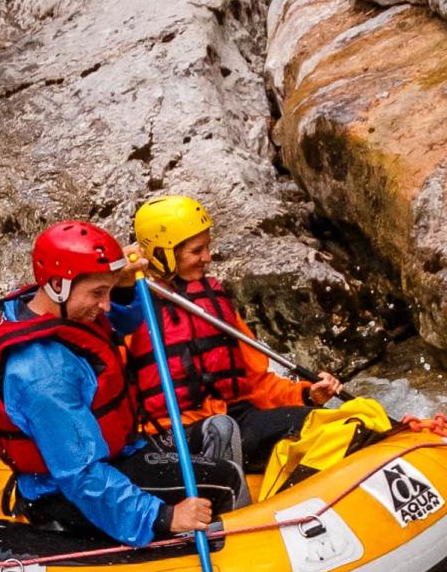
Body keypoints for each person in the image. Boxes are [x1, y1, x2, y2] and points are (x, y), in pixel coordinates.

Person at [0, 221, 243, 547]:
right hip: (64, 492)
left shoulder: (47, 304)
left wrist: (120, 284)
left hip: (111, 454)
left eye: (108, 292)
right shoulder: (44, 376)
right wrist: (162, 516)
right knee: (227, 480)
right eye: (98, 293)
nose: (106, 305)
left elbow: (122, 320)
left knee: (216, 441)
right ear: (57, 286)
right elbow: (81, 475)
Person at [125, 196, 341, 479]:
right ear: (163, 254)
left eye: (207, 246)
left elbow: (257, 383)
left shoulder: (211, 300)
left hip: (236, 417)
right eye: (196, 250)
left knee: (332, 424)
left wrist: (306, 395)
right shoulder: (128, 313)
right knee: (221, 432)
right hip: (173, 436)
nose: (207, 257)